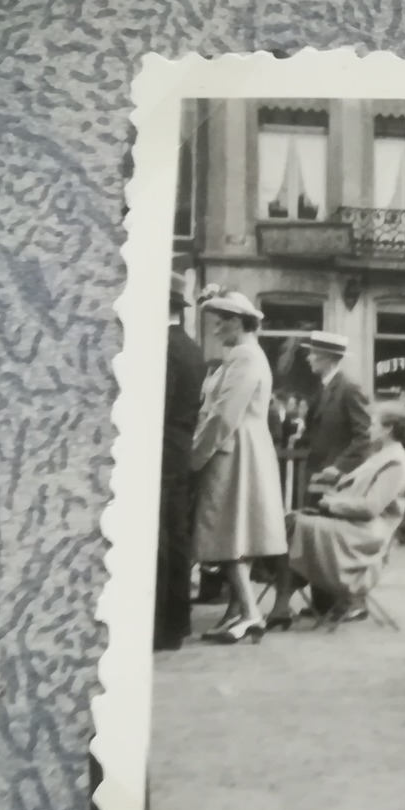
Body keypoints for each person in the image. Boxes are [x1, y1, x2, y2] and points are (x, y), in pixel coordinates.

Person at [189, 291, 288, 644]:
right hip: (241, 448)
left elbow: (224, 415)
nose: (216, 330)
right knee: (234, 535)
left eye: (221, 322)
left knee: (224, 533)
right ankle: (238, 613)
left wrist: (195, 456)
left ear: (237, 322)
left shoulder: (244, 356)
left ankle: (249, 613)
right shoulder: (244, 355)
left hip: (234, 453)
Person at [265, 402, 405, 629]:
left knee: (294, 524)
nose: (369, 428)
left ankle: (281, 601)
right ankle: (282, 601)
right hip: (352, 527)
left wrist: (331, 505)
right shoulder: (382, 456)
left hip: (365, 536)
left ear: (388, 428)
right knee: (292, 521)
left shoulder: (396, 462)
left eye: (374, 423)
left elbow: (371, 507)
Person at [154, 271, 206, 651]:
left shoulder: (163, 348)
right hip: (180, 446)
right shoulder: (190, 347)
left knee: (160, 538)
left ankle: (163, 626)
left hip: (160, 449)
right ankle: (177, 622)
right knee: (175, 536)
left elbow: (160, 405)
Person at [301, 331, 374, 500]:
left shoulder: (349, 388)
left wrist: (340, 467)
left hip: (337, 479)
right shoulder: (324, 388)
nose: (308, 358)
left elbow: (365, 435)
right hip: (319, 473)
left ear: (327, 358)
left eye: (313, 354)